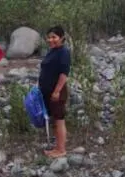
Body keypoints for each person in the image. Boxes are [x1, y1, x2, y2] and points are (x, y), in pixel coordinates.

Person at [38, 26, 71, 158]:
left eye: (54, 37)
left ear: (61, 38)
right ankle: (57, 147)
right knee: (54, 119)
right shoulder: (52, 51)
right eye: (49, 37)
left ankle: (61, 149)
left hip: (57, 92)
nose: (51, 40)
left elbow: (64, 74)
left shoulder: (64, 52)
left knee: (59, 119)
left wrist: (57, 91)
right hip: (47, 91)